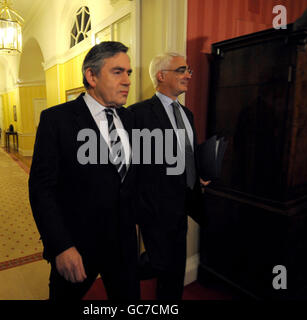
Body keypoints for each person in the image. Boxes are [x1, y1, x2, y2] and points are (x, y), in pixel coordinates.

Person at [28, 41, 139, 300]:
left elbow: (133, 181)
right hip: (77, 246)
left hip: (123, 245)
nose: (127, 81)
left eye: (129, 73)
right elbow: (41, 189)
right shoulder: (56, 120)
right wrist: (61, 246)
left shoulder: (131, 119)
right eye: (117, 72)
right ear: (91, 76)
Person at [129, 52, 209, 300]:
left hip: (183, 204)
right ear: (161, 76)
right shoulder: (137, 114)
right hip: (155, 208)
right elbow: (131, 166)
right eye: (182, 70)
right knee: (158, 263)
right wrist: (140, 206)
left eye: (189, 71)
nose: (188, 75)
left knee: (174, 269)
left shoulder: (187, 115)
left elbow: (188, 154)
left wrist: (199, 174)